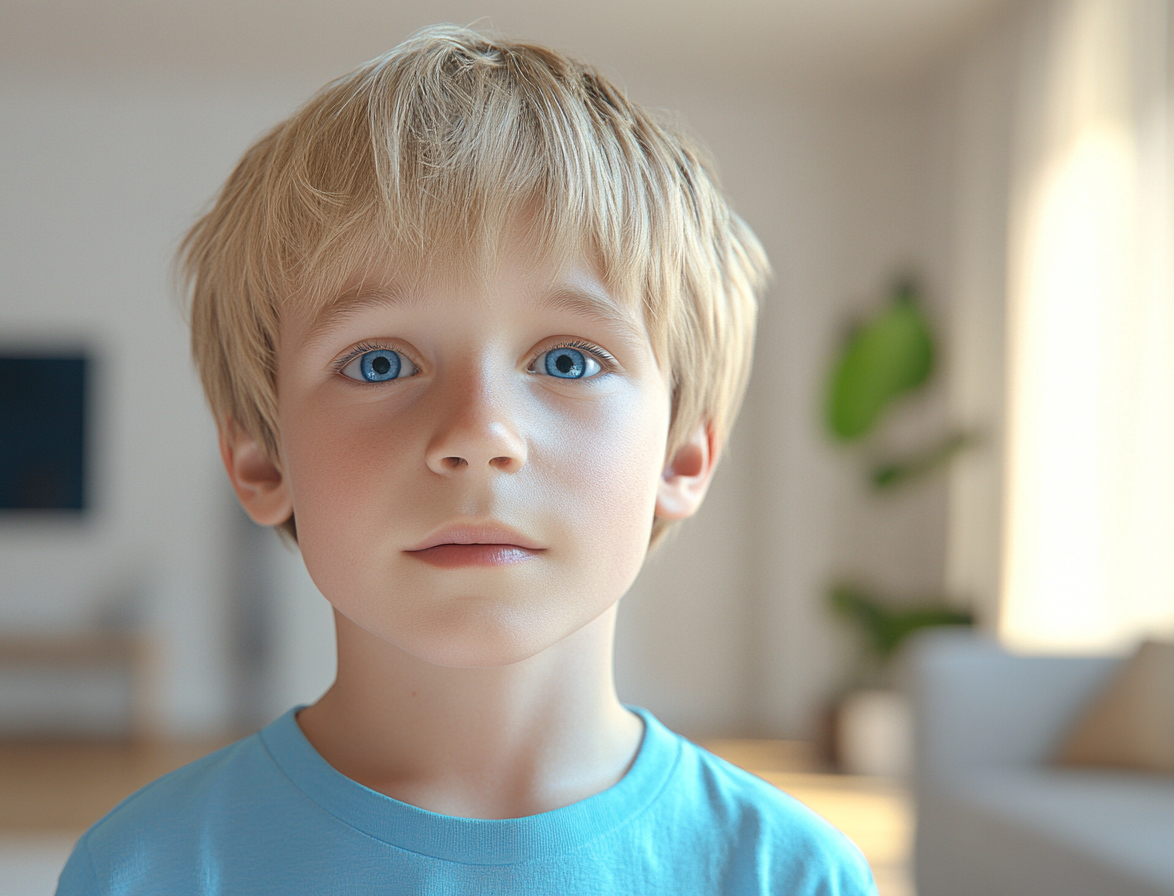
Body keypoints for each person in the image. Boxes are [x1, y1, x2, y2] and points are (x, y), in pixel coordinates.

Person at [56, 25, 876, 895]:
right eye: (380, 362)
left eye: (568, 360)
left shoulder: (791, 876)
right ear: (262, 459)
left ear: (681, 454)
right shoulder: (145, 871)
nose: (478, 432)